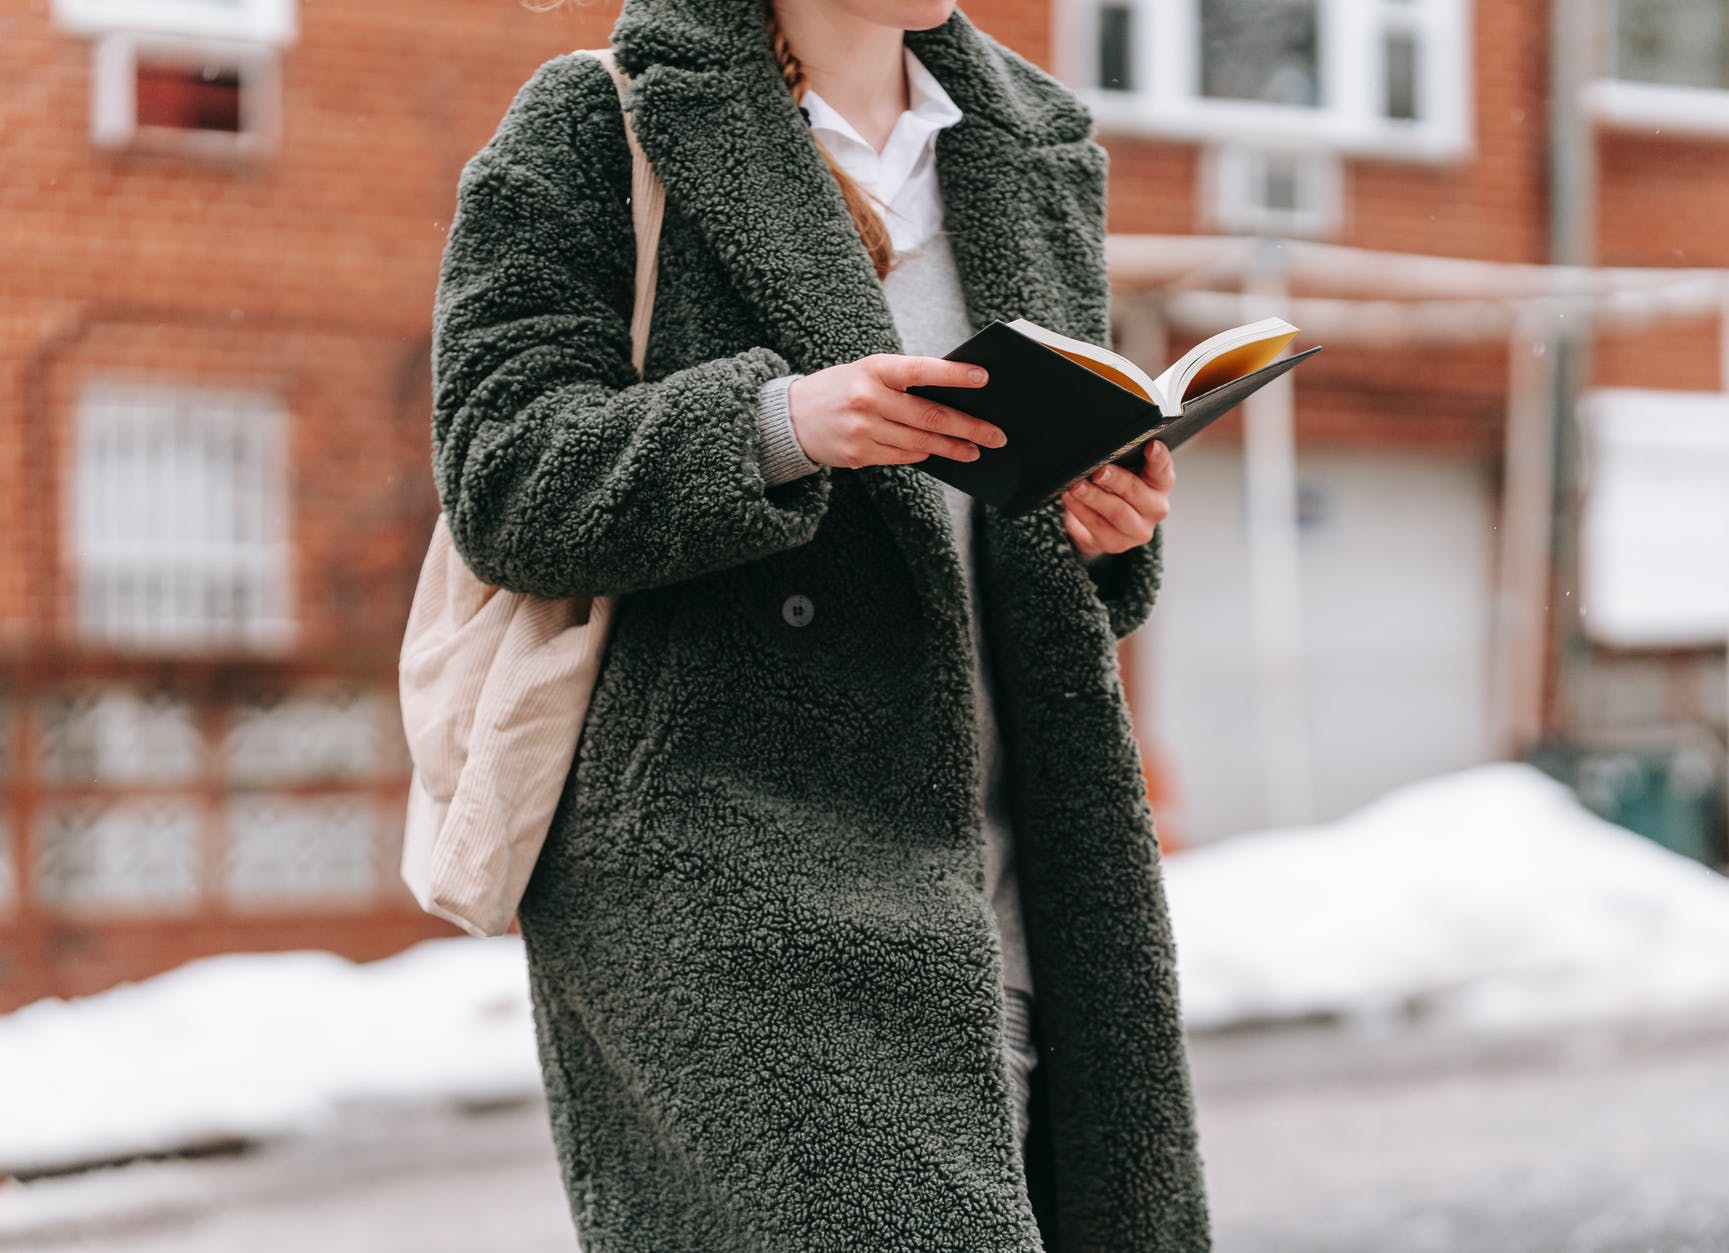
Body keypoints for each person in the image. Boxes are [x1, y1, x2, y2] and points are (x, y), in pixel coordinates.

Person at [429, 0, 1210, 1247]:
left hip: (1015, 844)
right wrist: (779, 427)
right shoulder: (601, 116)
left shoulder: (1028, 141)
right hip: (734, 857)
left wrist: (1103, 529)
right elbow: (502, 475)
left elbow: (1005, 510)